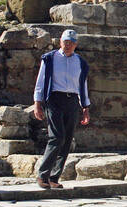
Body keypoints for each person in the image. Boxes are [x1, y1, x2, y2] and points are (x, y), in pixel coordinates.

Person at [32, 29, 92, 190]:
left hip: (72, 100)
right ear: (60, 42)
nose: (68, 45)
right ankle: (42, 174)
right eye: (66, 42)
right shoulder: (50, 58)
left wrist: (85, 107)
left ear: (76, 44)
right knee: (56, 137)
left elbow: (83, 86)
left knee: (66, 139)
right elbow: (41, 81)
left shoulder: (80, 62)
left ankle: (54, 177)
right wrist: (37, 103)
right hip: (54, 99)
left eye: (71, 43)